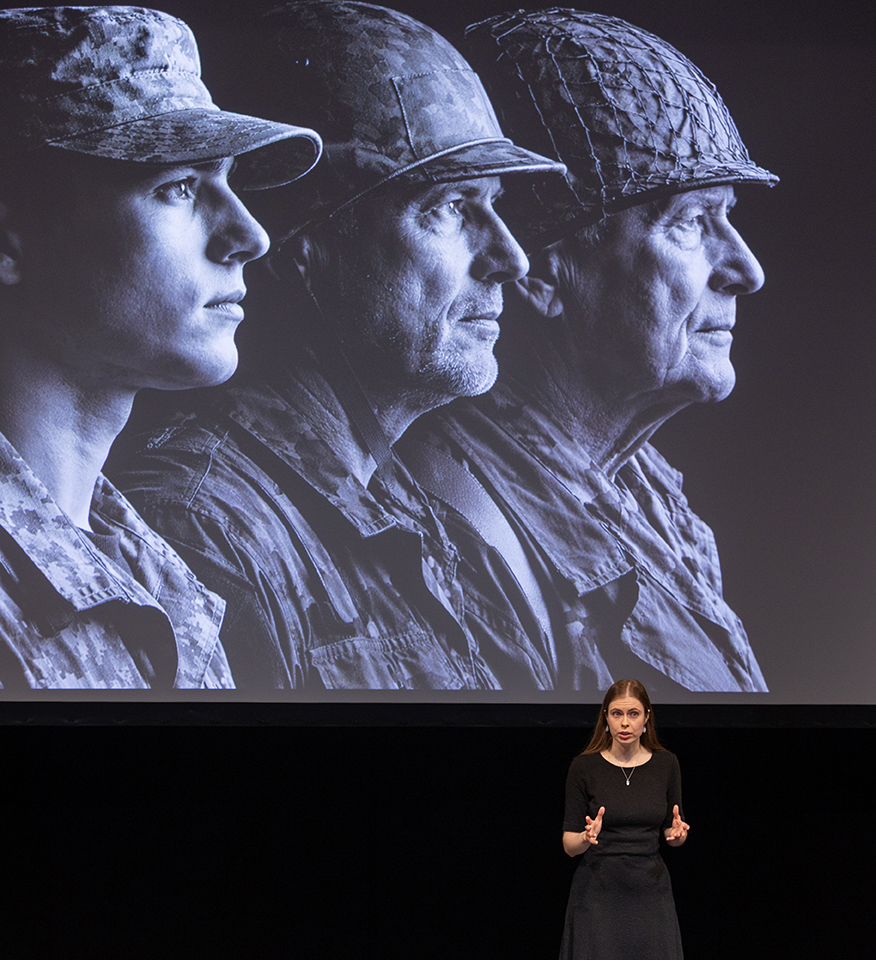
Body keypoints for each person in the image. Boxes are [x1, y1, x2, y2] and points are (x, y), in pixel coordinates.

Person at [110, 0, 568, 692]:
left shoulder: (422, 515)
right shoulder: (209, 529)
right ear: (306, 242)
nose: (509, 256)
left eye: (495, 204)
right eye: (449, 208)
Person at [405, 9, 779, 695]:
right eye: (692, 223)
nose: (746, 269)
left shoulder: (642, 489)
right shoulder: (462, 525)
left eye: (731, 217)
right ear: (541, 273)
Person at [0, 5, 321, 689]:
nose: (250, 234)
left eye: (229, 182)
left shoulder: (154, 572)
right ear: (9, 240)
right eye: (177, 187)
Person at [557, 678, 689, 960]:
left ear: (647, 717)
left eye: (634, 714)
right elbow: (569, 843)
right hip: (599, 891)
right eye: (617, 714)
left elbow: (674, 830)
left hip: (650, 890)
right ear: (606, 719)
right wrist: (586, 837)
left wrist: (678, 838)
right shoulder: (585, 767)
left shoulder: (667, 764)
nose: (626, 723)